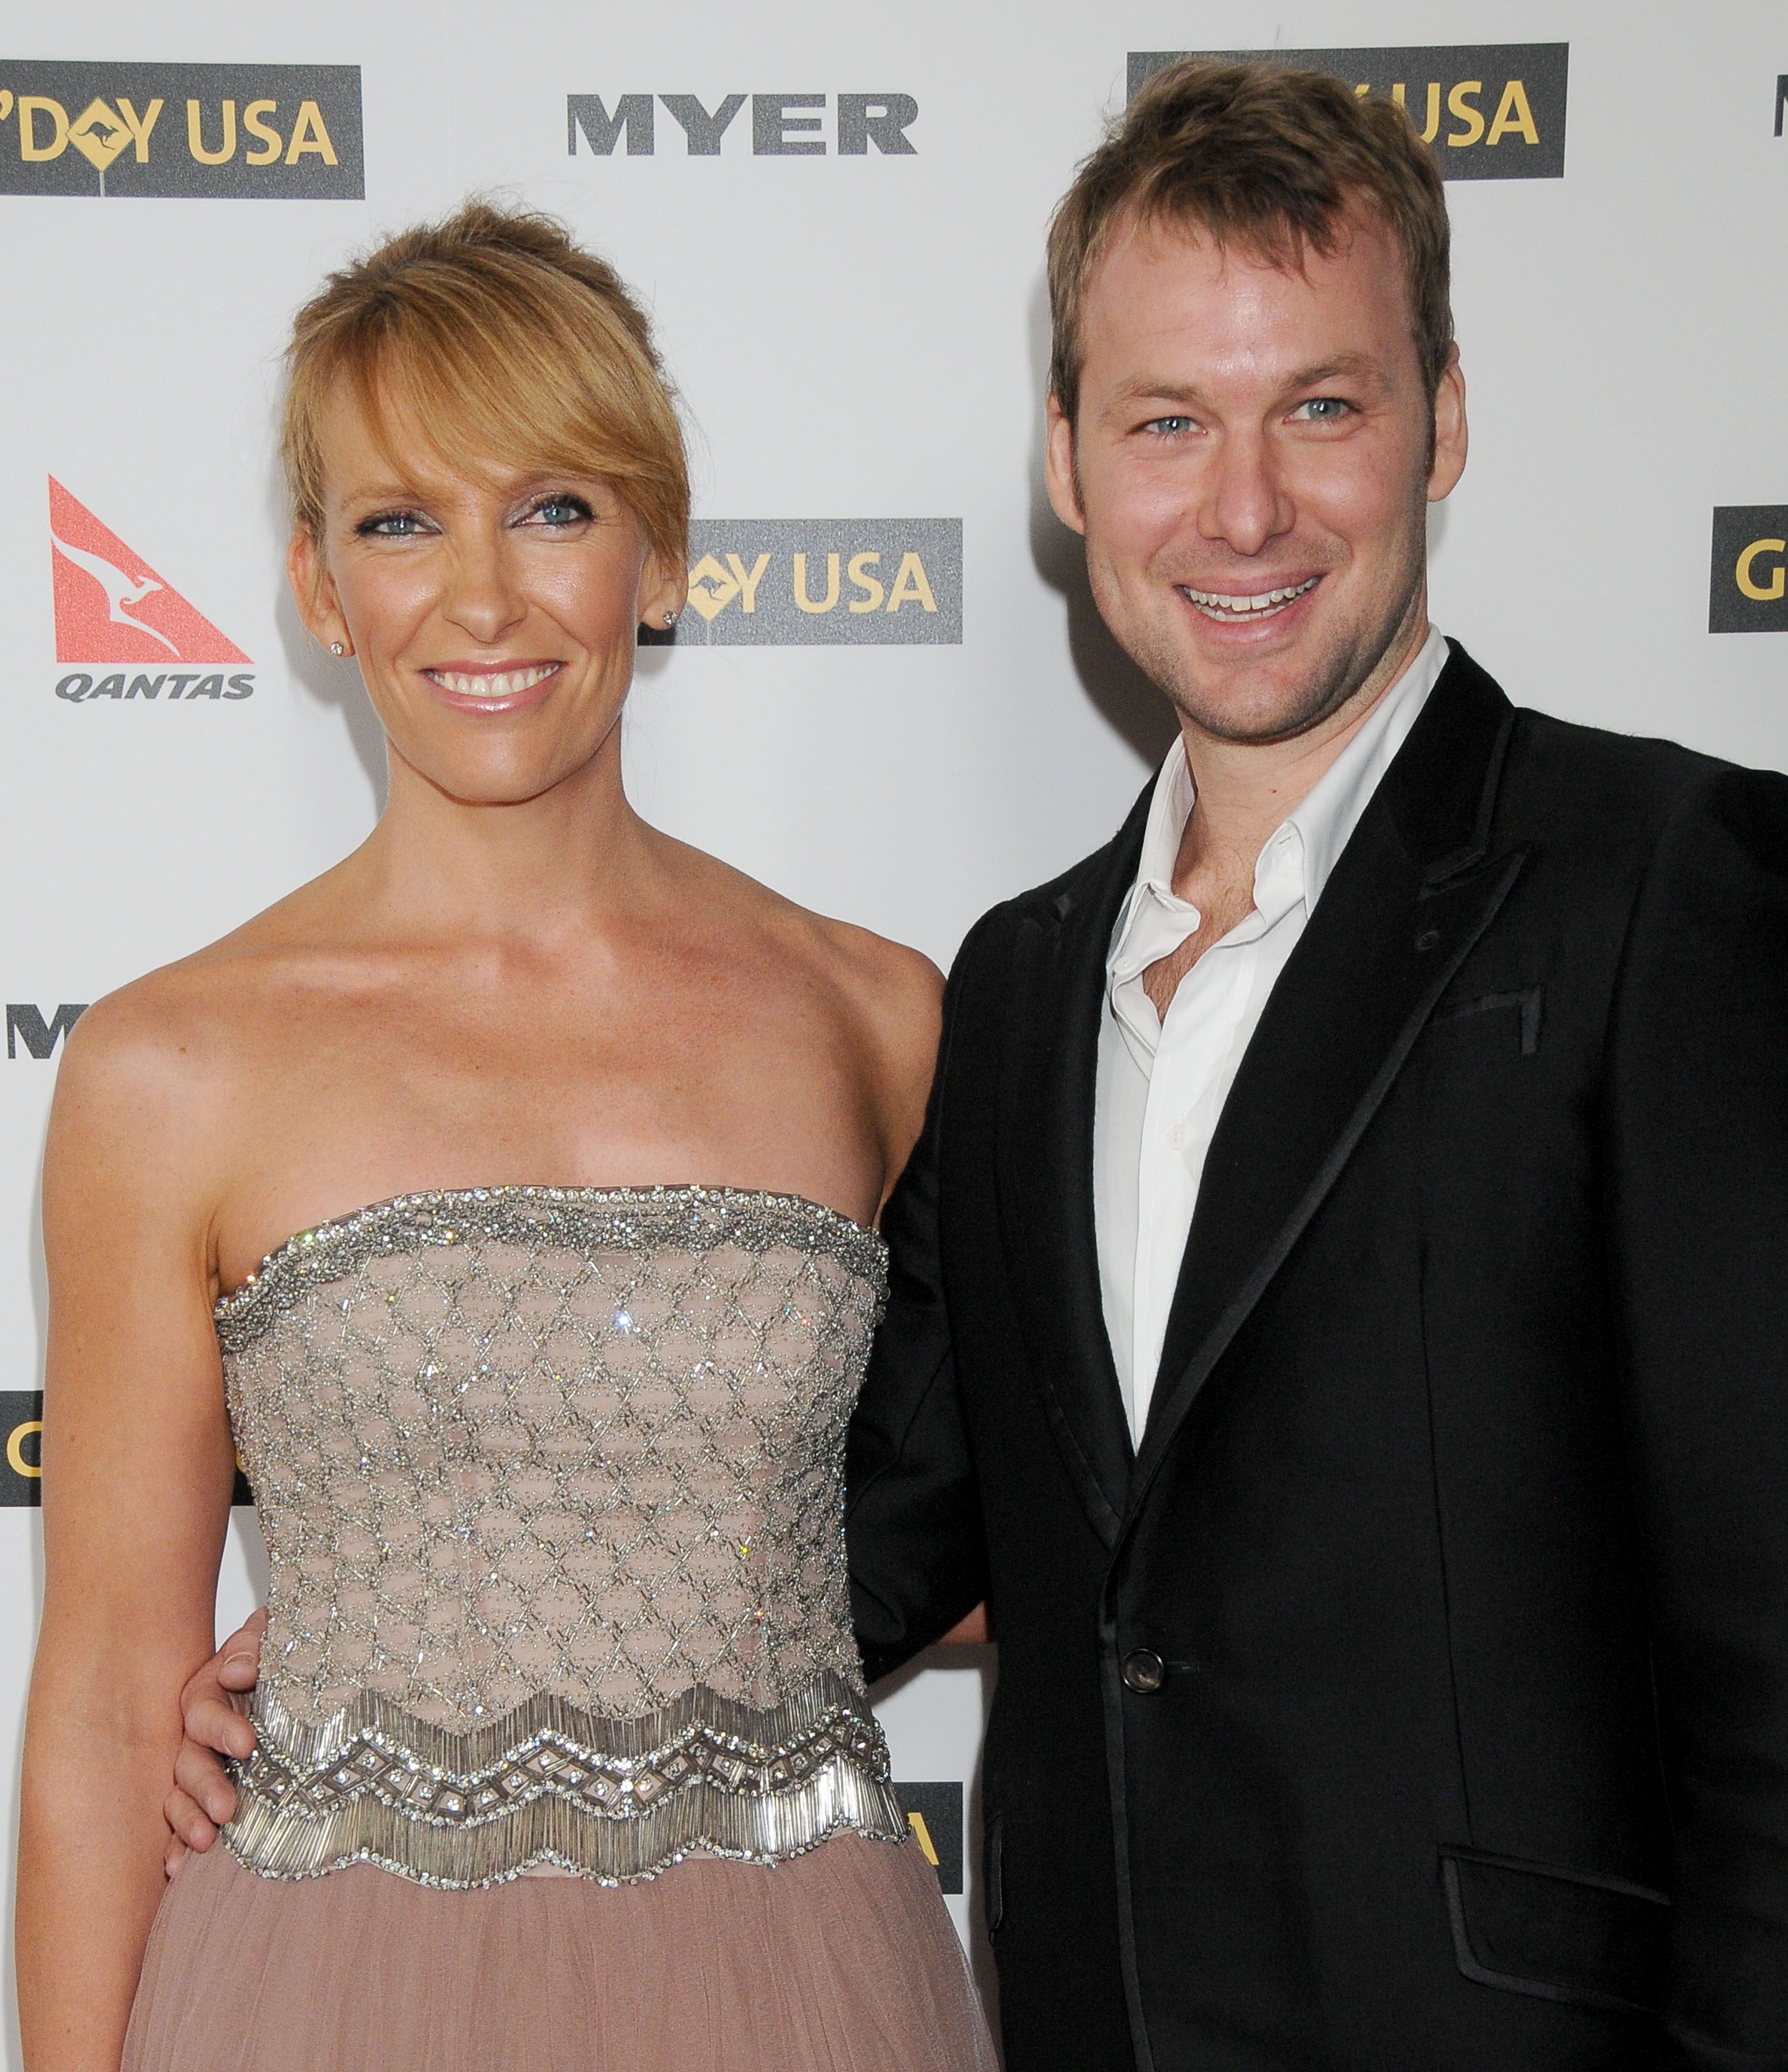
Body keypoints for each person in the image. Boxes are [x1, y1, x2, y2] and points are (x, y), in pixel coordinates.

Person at [169, 56, 1788, 2070]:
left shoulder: (1667, 889)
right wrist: (412, 1642)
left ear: (1442, 423)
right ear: (1068, 461)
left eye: (1323, 405)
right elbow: (880, 1523)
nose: (1244, 504)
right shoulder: (1014, 988)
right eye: (1166, 422)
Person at [17, 201, 998, 2072]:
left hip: (802, 1986)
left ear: (663, 549)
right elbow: (95, 1717)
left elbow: (993, 1511)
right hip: (328, 1988)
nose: (481, 596)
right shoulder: (171, 1065)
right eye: (401, 521)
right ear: (317, 583)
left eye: (552, 507)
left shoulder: (877, 1017)